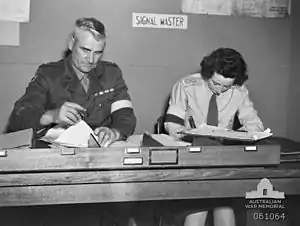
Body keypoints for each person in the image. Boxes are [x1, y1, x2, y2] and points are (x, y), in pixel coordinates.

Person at [164, 47, 264, 226]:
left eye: (227, 86)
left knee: (224, 204)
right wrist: (185, 134)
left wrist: (247, 133)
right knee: (201, 203)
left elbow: (253, 121)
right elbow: (171, 121)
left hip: (222, 156)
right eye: (215, 84)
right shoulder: (186, 85)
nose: (219, 90)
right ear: (207, 73)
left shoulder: (239, 90)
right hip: (193, 153)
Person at [6, 17, 136, 147]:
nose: (90, 60)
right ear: (71, 44)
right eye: (85, 50)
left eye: (98, 53)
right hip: (59, 157)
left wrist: (114, 133)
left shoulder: (112, 74)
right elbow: (18, 118)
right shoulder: (48, 74)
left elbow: (125, 115)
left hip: (101, 155)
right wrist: (52, 116)